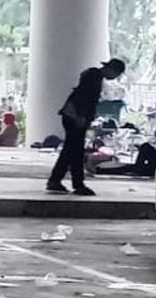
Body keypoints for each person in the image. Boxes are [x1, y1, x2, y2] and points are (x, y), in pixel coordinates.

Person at [47, 58, 125, 196]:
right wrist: (81, 117)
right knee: (75, 151)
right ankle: (76, 183)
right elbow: (85, 99)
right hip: (76, 117)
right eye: (116, 74)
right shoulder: (94, 77)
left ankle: (57, 180)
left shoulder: (93, 75)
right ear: (113, 70)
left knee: (70, 150)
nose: (114, 78)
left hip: (72, 116)